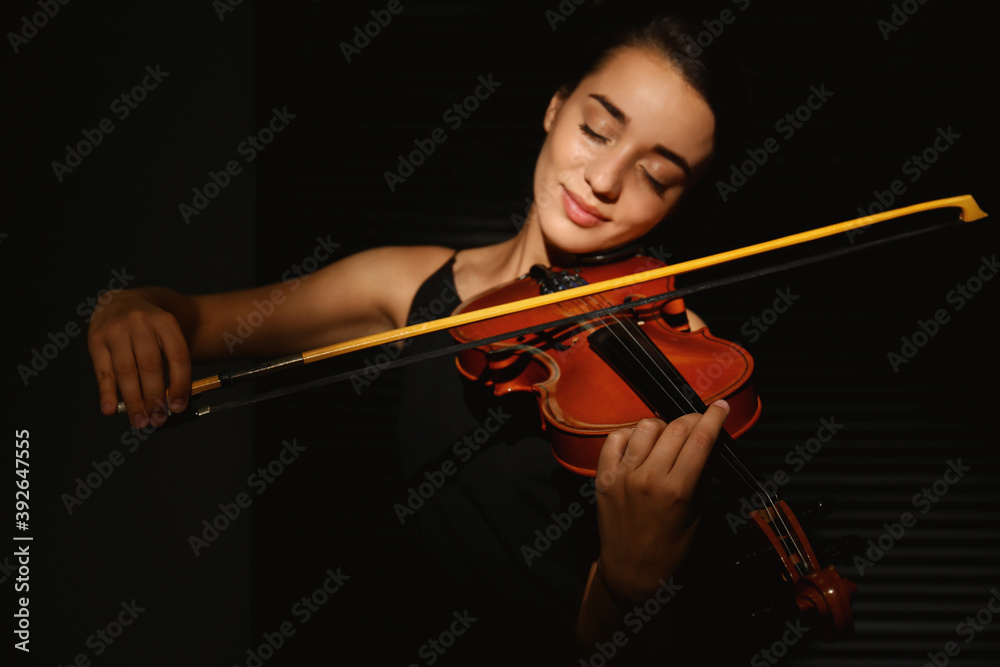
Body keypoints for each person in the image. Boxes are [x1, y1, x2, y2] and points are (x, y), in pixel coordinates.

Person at [88, 13, 755, 664]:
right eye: (597, 129)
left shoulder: (668, 368)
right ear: (555, 108)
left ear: (681, 201)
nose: (604, 181)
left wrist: (627, 585)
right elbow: (197, 321)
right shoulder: (411, 285)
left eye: (657, 176)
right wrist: (129, 305)